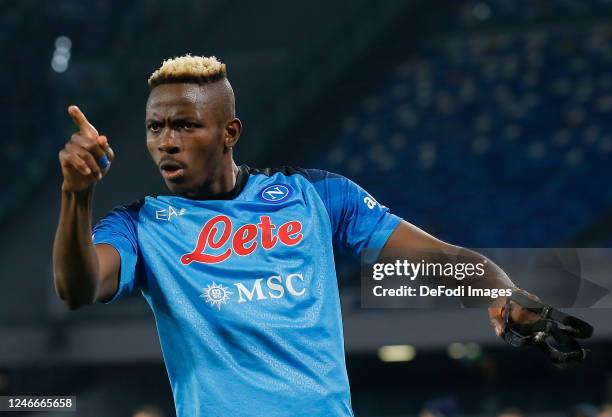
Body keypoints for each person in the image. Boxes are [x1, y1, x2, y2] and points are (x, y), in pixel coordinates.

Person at [52, 55, 535, 417]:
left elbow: (439, 258)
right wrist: (76, 196)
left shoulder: (315, 196)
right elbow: (78, 288)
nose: (167, 142)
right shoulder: (141, 226)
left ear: (229, 132)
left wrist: (500, 292)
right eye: (155, 127)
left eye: (185, 125)